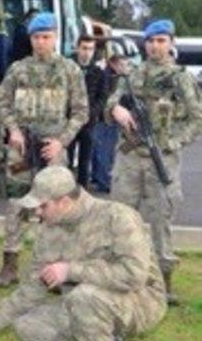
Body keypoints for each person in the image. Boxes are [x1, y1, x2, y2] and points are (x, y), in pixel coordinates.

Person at [0, 166, 167, 341]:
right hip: (91, 300)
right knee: (28, 328)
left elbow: (135, 274)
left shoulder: (117, 217)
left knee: (85, 297)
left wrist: (71, 270)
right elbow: (34, 286)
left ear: (63, 201)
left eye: (43, 206)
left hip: (141, 299)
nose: (38, 213)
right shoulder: (50, 230)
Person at [107, 19, 202, 305]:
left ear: (170, 43)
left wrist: (171, 142)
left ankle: (163, 281)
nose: (155, 46)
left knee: (161, 219)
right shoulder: (131, 75)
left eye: (161, 41)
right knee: (122, 216)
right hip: (130, 158)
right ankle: (120, 274)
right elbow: (110, 101)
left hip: (163, 158)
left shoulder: (180, 78)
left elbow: (196, 118)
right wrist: (117, 110)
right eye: (150, 41)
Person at [0, 12, 88, 288]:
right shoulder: (18, 69)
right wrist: (13, 129)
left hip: (52, 149)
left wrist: (62, 141)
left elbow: (81, 112)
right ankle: (9, 265)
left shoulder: (70, 70)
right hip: (21, 149)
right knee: (15, 205)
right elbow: (1, 103)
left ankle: (54, 270)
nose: (41, 42)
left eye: (46, 37)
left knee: (56, 209)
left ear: (56, 38)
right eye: (36, 37)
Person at [67, 35, 106, 188]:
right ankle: (66, 189)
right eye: (84, 48)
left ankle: (82, 191)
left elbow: (103, 95)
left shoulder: (98, 72)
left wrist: (93, 112)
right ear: (77, 48)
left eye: (90, 49)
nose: (87, 53)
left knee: (85, 159)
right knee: (66, 158)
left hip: (88, 122)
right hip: (68, 120)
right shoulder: (68, 67)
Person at [90, 51, 128, 193]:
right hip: (105, 119)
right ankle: (104, 182)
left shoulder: (111, 75)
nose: (124, 68)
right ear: (112, 63)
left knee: (101, 151)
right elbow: (106, 98)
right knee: (105, 151)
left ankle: (98, 178)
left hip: (104, 118)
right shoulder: (109, 76)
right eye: (122, 65)